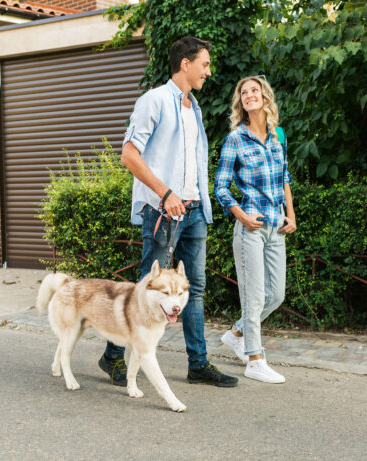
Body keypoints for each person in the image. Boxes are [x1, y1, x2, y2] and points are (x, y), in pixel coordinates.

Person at [97, 36, 238, 388]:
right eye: (204, 64)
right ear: (185, 64)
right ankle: (113, 356)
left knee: (196, 288)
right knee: (147, 285)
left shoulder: (196, 109)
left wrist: (198, 201)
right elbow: (129, 155)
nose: (209, 71)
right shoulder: (154, 100)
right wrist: (165, 193)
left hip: (193, 209)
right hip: (163, 209)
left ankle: (198, 364)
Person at [214, 75, 297, 384]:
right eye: (243, 92)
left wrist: (291, 214)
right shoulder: (236, 138)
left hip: (276, 226)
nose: (249, 94)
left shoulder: (278, 136)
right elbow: (221, 187)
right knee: (253, 297)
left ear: (265, 97)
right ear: (241, 103)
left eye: (254, 90)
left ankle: (237, 333)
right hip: (250, 227)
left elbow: (284, 176)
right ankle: (254, 359)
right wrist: (242, 216)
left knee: (275, 295)